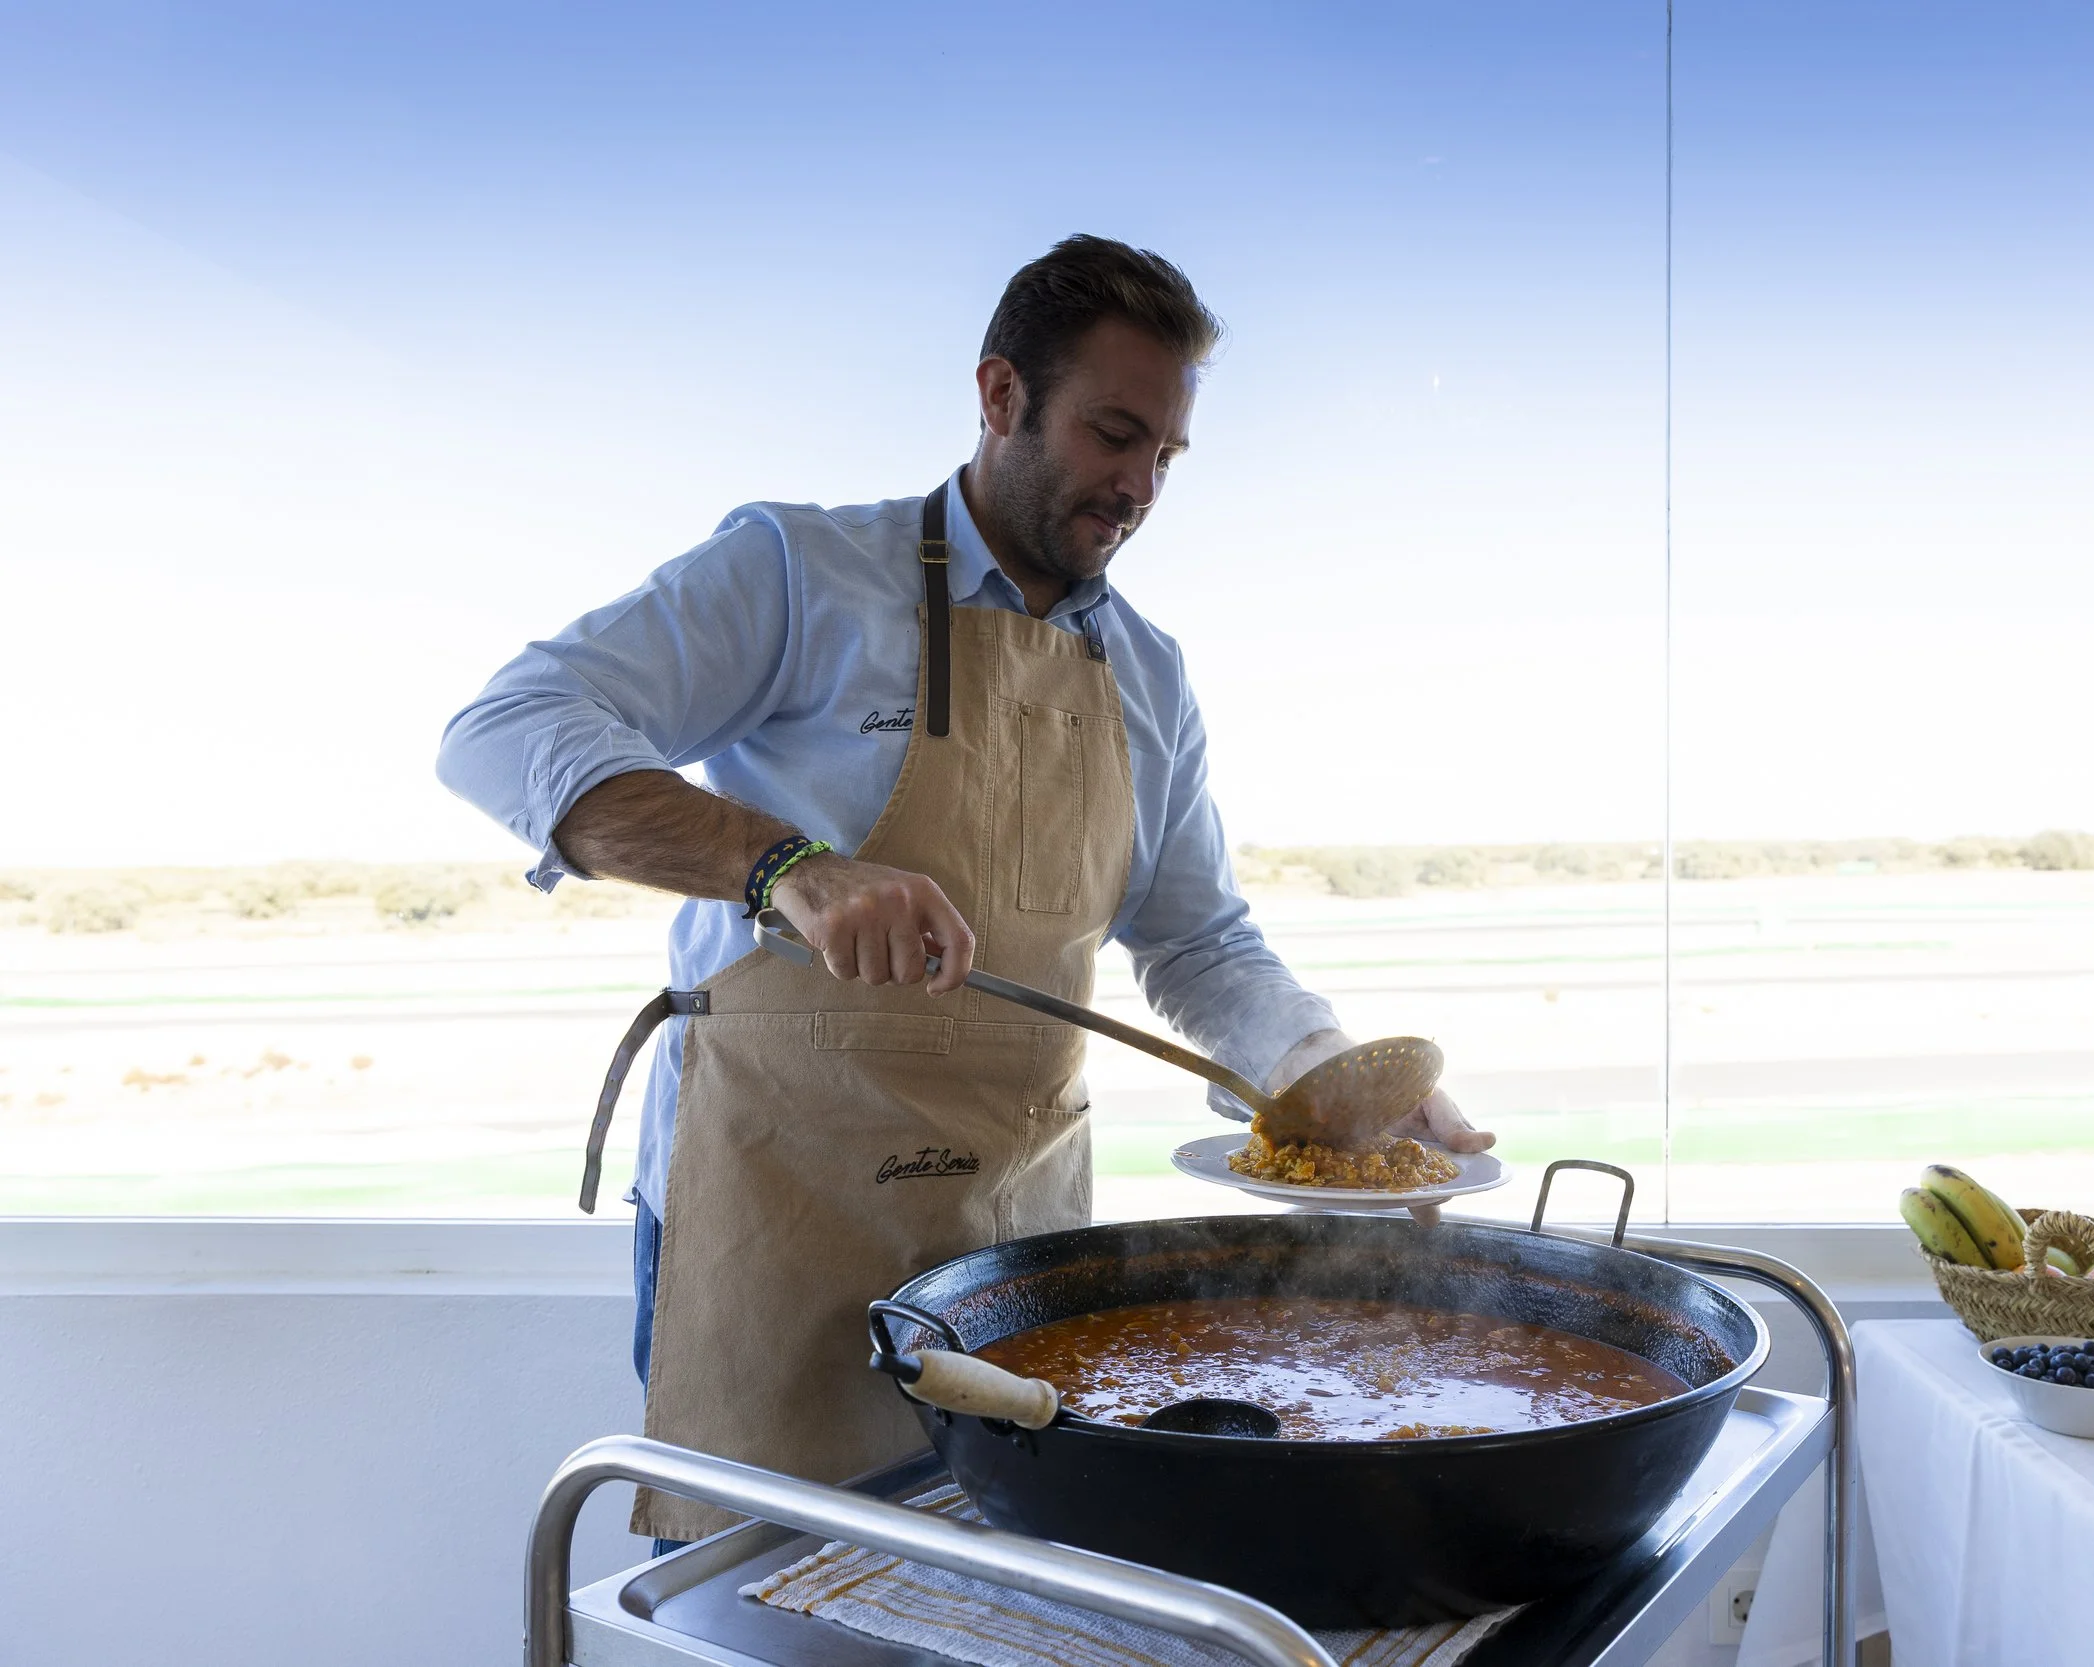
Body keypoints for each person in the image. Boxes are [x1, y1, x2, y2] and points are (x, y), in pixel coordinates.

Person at [436, 234, 1491, 1544]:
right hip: (780, 1213)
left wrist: (1330, 1081)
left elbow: (1200, 941)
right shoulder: (798, 570)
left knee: (1008, 1593)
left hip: (1020, 1246)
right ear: (1000, 396)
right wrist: (785, 867)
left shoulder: (1150, 672)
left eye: (1167, 454)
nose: (1139, 486)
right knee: (754, 1604)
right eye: (1114, 434)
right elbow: (504, 727)